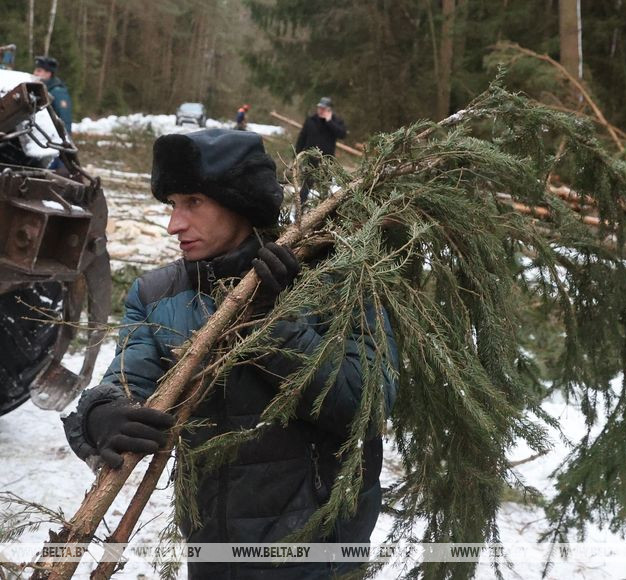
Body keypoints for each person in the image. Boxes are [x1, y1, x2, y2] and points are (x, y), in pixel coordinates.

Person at [62, 129, 399, 578]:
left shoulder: (334, 280)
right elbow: (127, 381)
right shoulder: (159, 294)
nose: (174, 224)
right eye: (172, 205)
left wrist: (273, 325)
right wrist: (99, 417)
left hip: (318, 550)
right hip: (212, 549)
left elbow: (366, 404)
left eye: (193, 203)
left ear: (239, 202)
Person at [294, 97, 347, 203]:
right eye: (319, 108)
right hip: (310, 160)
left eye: (323, 108)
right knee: (305, 187)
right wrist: (296, 155)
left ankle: (323, 211)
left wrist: (329, 121)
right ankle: (299, 211)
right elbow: (302, 138)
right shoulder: (311, 120)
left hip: (327, 161)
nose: (320, 110)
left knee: (325, 188)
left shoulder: (336, 121)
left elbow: (342, 134)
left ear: (329, 110)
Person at [32, 56, 73, 136]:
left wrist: (66, 138)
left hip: (54, 137)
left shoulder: (58, 92)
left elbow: (65, 117)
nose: (35, 73)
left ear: (48, 73)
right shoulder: (43, 89)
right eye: (36, 70)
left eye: (39, 71)